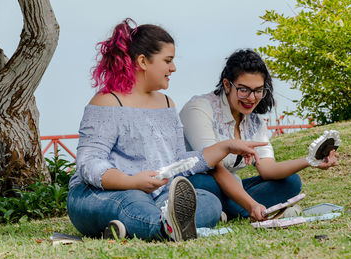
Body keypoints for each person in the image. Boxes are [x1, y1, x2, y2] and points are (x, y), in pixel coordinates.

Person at [67, 20, 267, 242]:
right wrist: (131, 181)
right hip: (103, 194)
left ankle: (142, 226)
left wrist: (226, 146)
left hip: (156, 194)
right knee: (132, 201)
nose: (173, 68)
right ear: (143, 61)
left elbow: (178, 160)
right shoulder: (107, 102)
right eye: (168, 61)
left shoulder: (166, 103)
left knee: (209, 201)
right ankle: (162, 227)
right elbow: (89, 162)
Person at [179, 49, 338, 222]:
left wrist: (310, 161)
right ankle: (245, 210)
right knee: (207, 185)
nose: (251, 98)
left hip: (233, 187)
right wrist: (252, 205)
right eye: (243, 90)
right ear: (227, 84)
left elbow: (268, 169)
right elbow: (216, 169)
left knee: (291, 181)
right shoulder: (199, 109)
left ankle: (226, 212)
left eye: (258, 90)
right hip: (199, 183)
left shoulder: (254, 120)